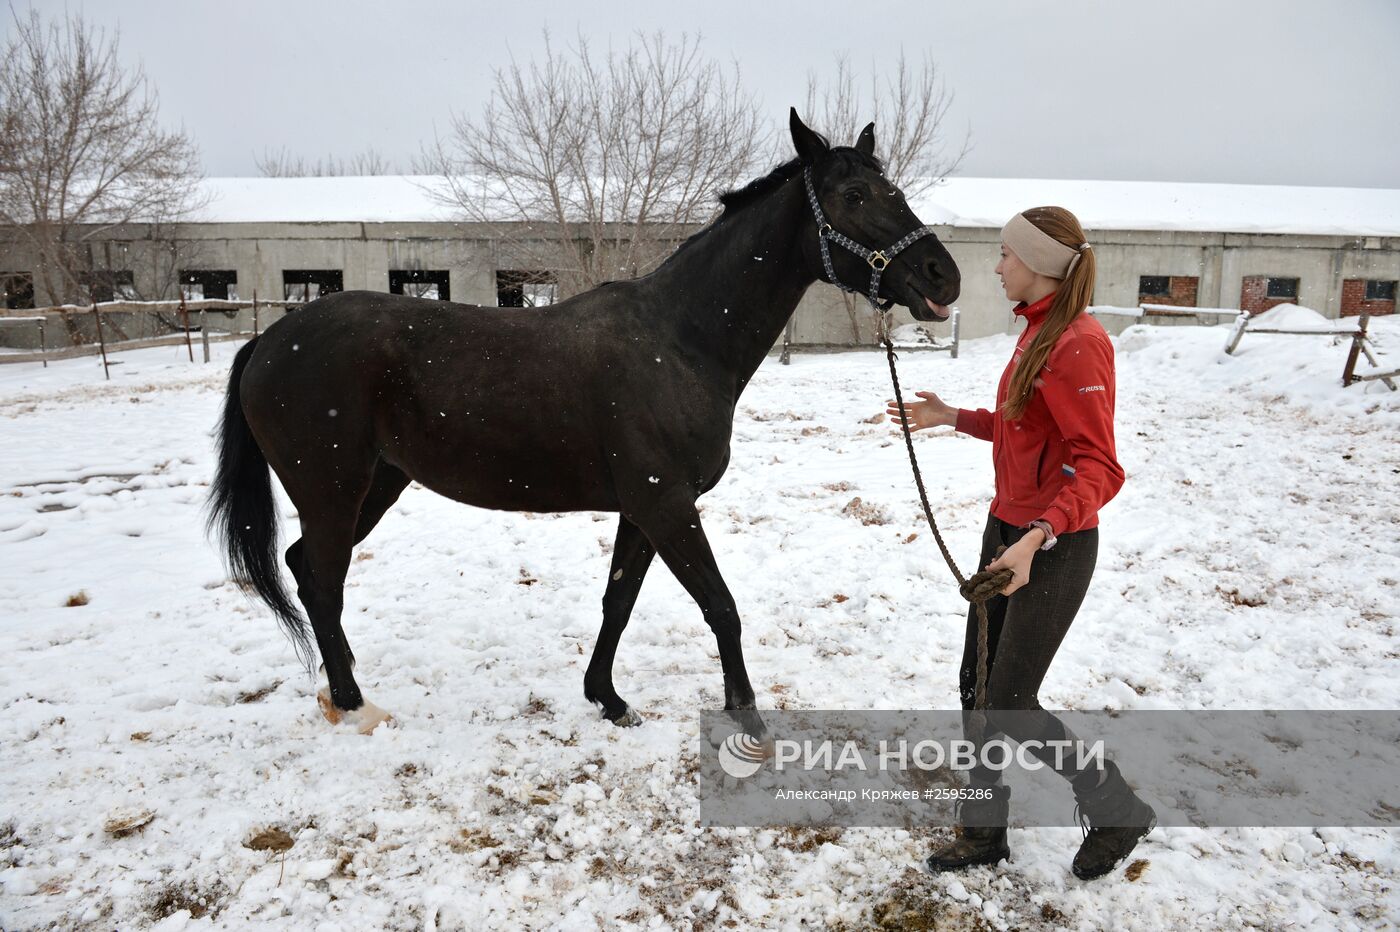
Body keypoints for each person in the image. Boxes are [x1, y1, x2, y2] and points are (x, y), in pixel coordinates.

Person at [886, 206, 1156, 881]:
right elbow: (1025, 429)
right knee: (977, 685)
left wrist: (1038, 536)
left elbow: (1098, 466)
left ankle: (1115, 806)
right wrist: (955, 418)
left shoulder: (1079, 344)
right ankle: (982, 835)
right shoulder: (1038, 333)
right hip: (1008, 530)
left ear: (1038, 263)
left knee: (1008, 701)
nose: (998, 265)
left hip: (1053, 544)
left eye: (1006, 254)